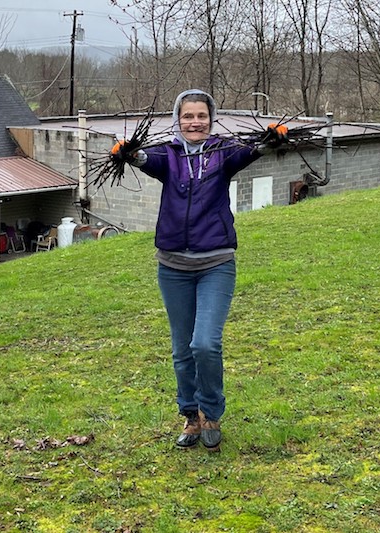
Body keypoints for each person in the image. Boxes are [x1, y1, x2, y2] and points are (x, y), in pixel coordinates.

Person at [113, 89, 287, 451]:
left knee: (205, 344)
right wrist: (127, 152)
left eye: (202, 116)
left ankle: (211, 411)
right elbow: (143, 159)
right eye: (188, 116)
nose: (195, 122)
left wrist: (271, 140)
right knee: (182, 349)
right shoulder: (167, 154)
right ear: (177, 120)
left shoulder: (224, 151)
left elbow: (252, 151)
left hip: (216, 263)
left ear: (212, 118)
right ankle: (191, 416)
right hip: (173, 267)